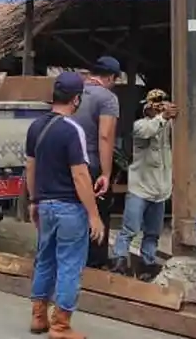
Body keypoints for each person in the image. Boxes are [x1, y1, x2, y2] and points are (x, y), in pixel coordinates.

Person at [26, 71, 106, 338]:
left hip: (45, 206)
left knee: (45, 260)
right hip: (69, 208)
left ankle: (38, 316)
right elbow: (80, 175)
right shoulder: (73, 130)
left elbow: (30, 168)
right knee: (70, 264)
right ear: (76, 99)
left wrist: (34, 201)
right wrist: (94, 215)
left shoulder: (35, 127)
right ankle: (60, 325)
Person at [110, 88, 175, 281]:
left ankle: (147, 263)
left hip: (160, 190)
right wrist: (163, 117)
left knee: (153, 233)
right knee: (129, 230)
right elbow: (148, 131)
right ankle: (119, 260)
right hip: (140, 188)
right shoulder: (140, 126)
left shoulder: (167, 126)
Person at [71, 55, 120, 269]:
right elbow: (105, 136)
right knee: (97, 213)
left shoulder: (73, 93)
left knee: (73, 211)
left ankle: (71, 260)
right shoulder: (107, 98)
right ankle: (94, 265)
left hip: (68, 164)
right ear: (110, 78)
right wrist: (106, 174)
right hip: (91, 165)